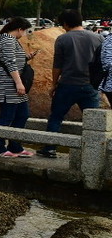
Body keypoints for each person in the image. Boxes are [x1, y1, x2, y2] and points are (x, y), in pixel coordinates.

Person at [40, 9, 103, 159]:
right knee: (93, 120)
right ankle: (95, 153)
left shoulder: (63, 39)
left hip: (67, 84)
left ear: (66, 23)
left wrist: (54, 84)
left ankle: (50, 148)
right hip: (90, 86)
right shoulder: (98, 38)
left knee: (56, 117)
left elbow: (57, 66)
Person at [0, 17, 35, 157]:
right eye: (24, 31)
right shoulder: (7, 40)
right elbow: (10, 63)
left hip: (13, 83)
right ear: (19, 29)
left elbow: (13, 59)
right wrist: (19, 82)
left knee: (22, 114)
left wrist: (27, 57)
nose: (24, 34)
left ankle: (15, 145)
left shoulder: (10, 40)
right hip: (8, 84)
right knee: (7, 116)